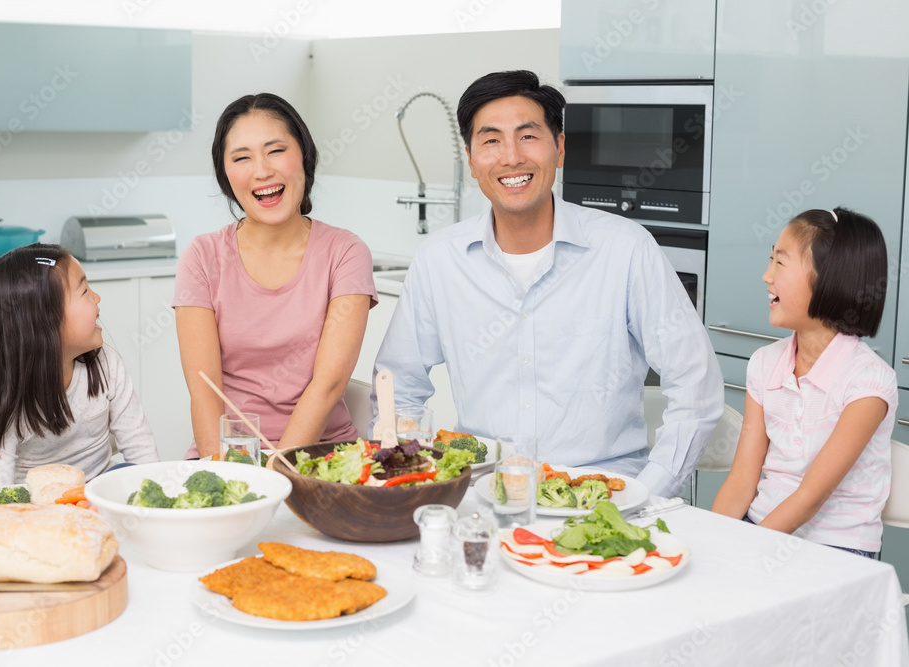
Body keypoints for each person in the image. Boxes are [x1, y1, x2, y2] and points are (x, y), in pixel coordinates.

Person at [373, 70, 723, 497]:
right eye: (491, 140)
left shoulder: (626, 249)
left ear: (559, 149)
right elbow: (397, 387)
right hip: (483, 493)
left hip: (603, 493)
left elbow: (696, 387)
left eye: (528, 136)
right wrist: (416, 474)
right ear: (470, 159)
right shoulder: (439, 260)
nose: (511, 157)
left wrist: (646, 493)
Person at [174, 93, 376, 458]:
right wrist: (223, 474)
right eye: (241, 158)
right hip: (229, 453)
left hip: (322, 457)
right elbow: (204, 389)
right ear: (226, 174)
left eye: (276, 150)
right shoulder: (202, 257)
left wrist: (276, 475)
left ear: (304, 154)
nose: (262, 170)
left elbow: (328, 385)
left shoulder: (346, 252)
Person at [712, 208, 895, 558]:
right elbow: (740, 482)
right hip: (760, 528)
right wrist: (714, 547)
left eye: (780, 263)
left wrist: (739, 555)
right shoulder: (765, 364)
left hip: (835, 549)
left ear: (830, 277)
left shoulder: (868, 382)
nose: (766, 276)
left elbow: (810, 496)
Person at [0, 243, 159, 488]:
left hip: (99, 495)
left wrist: (156, 501)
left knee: (131, 473)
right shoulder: (7, 397)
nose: (97, 297)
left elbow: (141, 449)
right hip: (40, 509)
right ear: (44, 319)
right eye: (85, 290)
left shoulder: (106, 364)